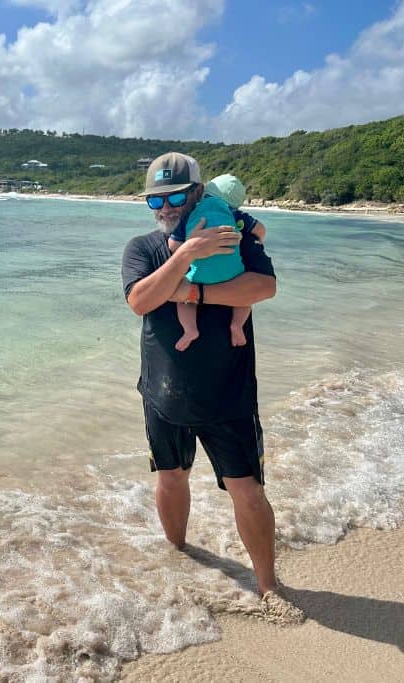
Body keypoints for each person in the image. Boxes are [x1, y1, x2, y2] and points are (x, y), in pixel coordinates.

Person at [122, 152, 301, 620]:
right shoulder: (143, 248)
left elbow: (262, 288)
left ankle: (269, 587)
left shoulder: (234, 236)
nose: (165, 208)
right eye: (155, 201)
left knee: (248, 490)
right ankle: (178, 554)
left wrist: (191, 292)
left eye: (175, 196)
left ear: (198, 192)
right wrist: (185, 255)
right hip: (163, 394)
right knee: (170, 477)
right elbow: (141, 300)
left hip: (230, 394)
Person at [167, 174, 267, 350]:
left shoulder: (193, 213)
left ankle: (190, 329)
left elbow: (173, 244)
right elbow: (261, 230)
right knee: (244, 299)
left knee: (184, 300)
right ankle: (236, 326)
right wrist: (252, 239)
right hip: (232, 274)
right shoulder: (235, 214)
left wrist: (190, 244)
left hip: (198, 275)